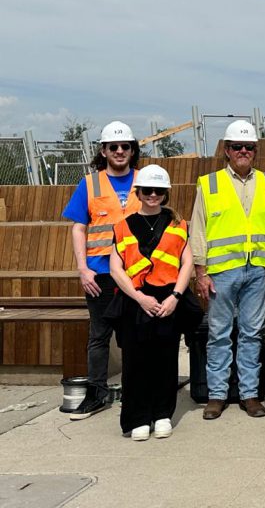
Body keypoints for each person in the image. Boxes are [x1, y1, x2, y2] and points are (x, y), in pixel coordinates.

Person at [191, 120, 265, 421]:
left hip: (257, 269)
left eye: (249, 147)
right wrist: (201, 272)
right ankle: (217, 396)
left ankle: (249, 395)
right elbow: (199, 229)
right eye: (237, 147)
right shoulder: (210, 184)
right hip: (222, 272)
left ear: (255, 151)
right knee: (219, 333)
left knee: (252, 333)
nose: (243, 151)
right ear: (227, 150)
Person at [108, 165, 199, 440]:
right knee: (135, 363)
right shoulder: (123, 226)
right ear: (138, 192)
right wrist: (139, 298)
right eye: (147, 190)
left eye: (158, 191)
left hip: (168, 301)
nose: (153, 195)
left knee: (165, 360)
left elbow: (187, 263)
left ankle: (161, 414)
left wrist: (175, 297)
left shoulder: (178, 225)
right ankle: (138, 417)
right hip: (136, 301)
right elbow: (116, 268)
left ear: (165, 193)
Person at [62, 120, 141, 420]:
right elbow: (78, 227)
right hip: (100, 274)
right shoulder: (90, 184)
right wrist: (82, 268)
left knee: (132, 336)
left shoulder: (144, 181)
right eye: (113, 147)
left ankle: (133, 390)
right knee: (99, 336)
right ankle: (96, 393)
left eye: (125, 146)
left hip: (136, 274)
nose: (120, 151)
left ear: (133, 150)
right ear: (104, 151)